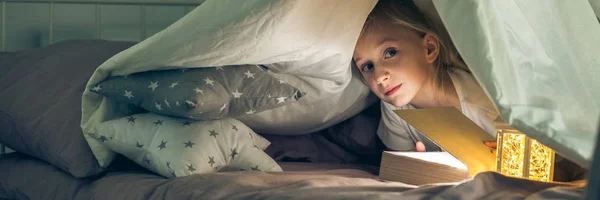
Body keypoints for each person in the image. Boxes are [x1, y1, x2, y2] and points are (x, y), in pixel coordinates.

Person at [352, 0, 499, 152]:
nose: (378, 77)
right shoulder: (393, 108)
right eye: (368, 66)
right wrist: (416, 164)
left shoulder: (482, 100)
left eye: (390, 53)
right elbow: (398, 164)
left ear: (429, 48)